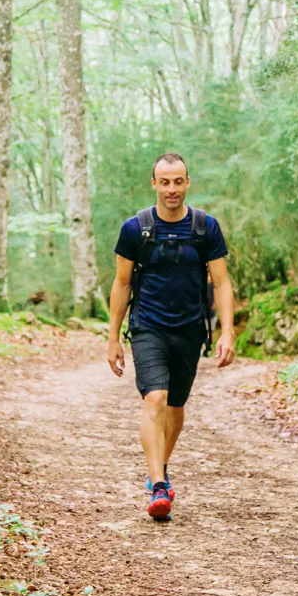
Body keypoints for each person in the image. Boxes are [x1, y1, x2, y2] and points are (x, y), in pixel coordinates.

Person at [107, 152, 236, 521]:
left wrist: (227, 331)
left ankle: (158, 469)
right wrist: (113, 338)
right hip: (148, 326)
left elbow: (222, 282)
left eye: (178, 181)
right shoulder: (135, 229)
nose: (171, 189)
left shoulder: (205, 227)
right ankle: (158, 483)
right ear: (154, 184)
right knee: (156, 398)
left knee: (176, 406)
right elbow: (121, 283)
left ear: (187, 182)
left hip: (191, 329)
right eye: (164, 182)